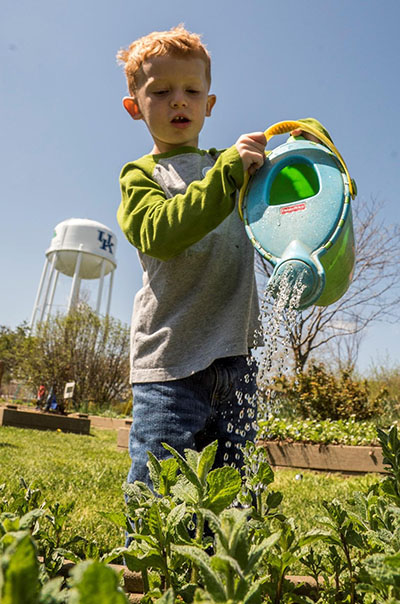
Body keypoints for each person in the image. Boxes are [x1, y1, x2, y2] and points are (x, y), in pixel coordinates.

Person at [116, 25, 329, 488]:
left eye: (192, 90)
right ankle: (152, 564)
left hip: (238, 358)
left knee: (233, 487)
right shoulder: (141, 176)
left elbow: (285, 213)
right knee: (162, 486)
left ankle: (224, 560)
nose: (179, 101)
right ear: (135, 107)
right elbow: (161, 233)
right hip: (170, 366)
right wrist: (230, 172)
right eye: (161, 91)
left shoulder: (233, 169)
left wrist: (307, 149)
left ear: (209, 104)